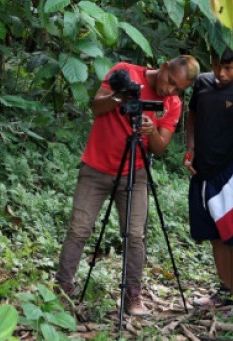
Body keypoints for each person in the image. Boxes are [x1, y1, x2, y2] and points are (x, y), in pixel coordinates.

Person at [56, 55, 200, 316]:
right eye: (170, 81)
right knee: (79, 229)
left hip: (135, 171)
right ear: (164, 66)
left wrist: (151, 131)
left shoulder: (172, 104)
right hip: (96, 168)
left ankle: (133, 294)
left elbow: (160, 147)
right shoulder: (124, 72)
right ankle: (62, 289)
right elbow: (96, 107)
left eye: (178, 89)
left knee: (135, 235)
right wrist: (118, 98)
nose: (170, 89)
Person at [184, 38, 233, 308]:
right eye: (216, 66)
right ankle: (224, 291)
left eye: (229, 68)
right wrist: (190, 146)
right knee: (215, 235)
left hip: (228, 174)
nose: (221, 74)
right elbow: (193, 115)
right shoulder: (202, 82)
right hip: (202, 173)